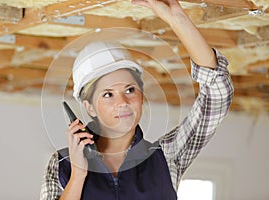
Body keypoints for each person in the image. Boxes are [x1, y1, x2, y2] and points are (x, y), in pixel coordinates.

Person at [40, 0, 234, 199]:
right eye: (108, 94)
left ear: (142, 96)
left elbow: (217, 93)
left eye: (130, 89)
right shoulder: (62, 165)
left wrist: (177, 19)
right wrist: (78, 174)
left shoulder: (166, 156)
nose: (123, 102)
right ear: (89, 107)